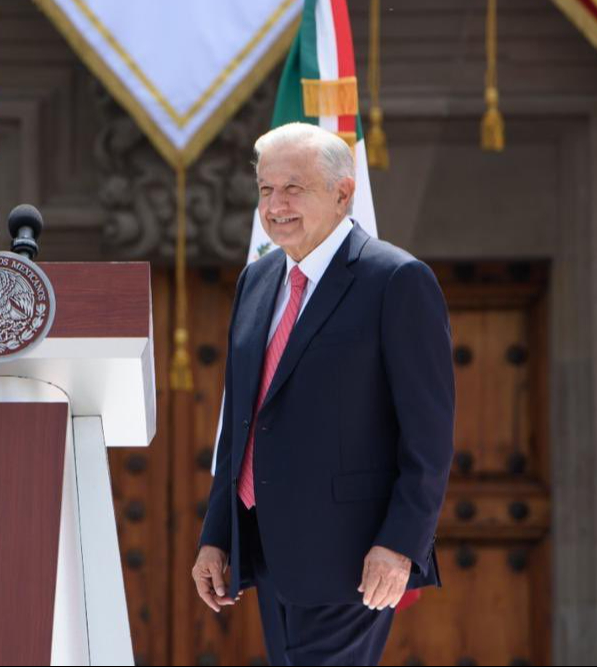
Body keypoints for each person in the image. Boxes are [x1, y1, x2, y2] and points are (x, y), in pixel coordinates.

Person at [193, 123, 455, 666]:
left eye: (294, 188)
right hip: (267, 551)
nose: (275, 204)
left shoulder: (396, 280)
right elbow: (243, 419)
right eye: (266, 190)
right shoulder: (257, 280)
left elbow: (427, 436)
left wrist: (401, 544)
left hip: (352, 558)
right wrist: (216, 535)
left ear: (342, 192)